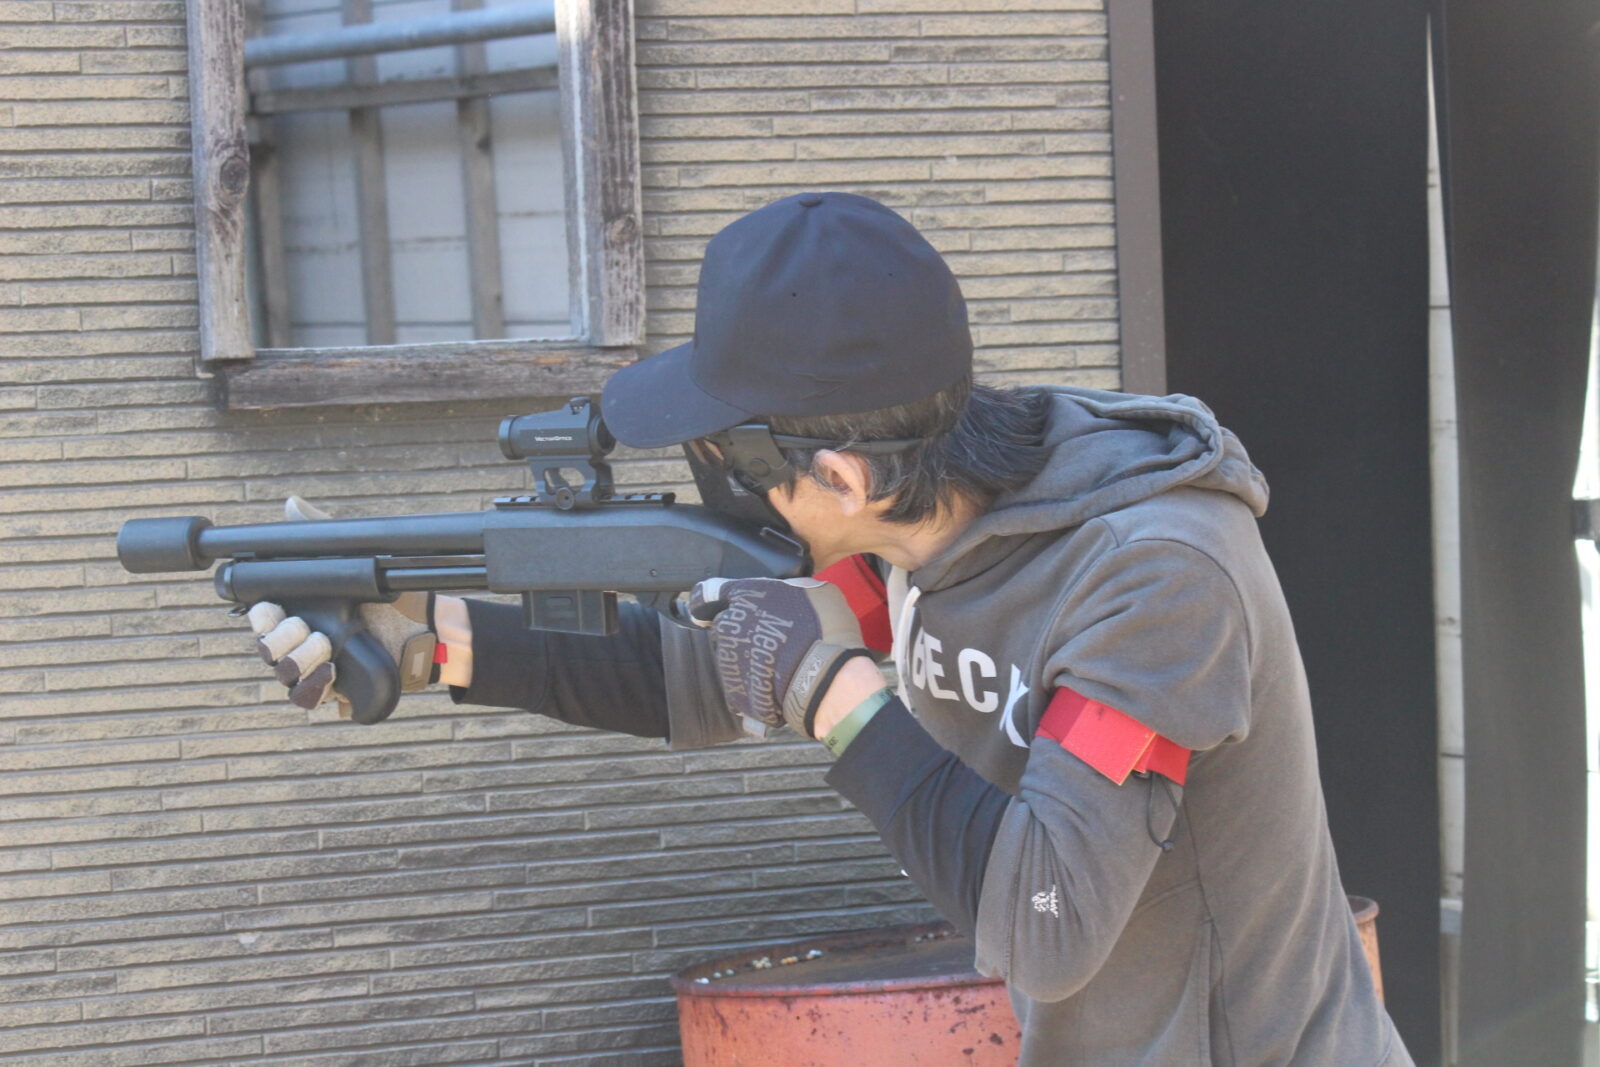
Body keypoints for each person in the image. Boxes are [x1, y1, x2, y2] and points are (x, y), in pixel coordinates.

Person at [247, 192, 1413, 1066]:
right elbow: (697, 675)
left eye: (725, 455)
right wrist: (436, 637)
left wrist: (838, 698)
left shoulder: (1154, 579)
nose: (713, 478)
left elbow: (1045, 921)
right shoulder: (910, 536)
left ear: (842, 474)